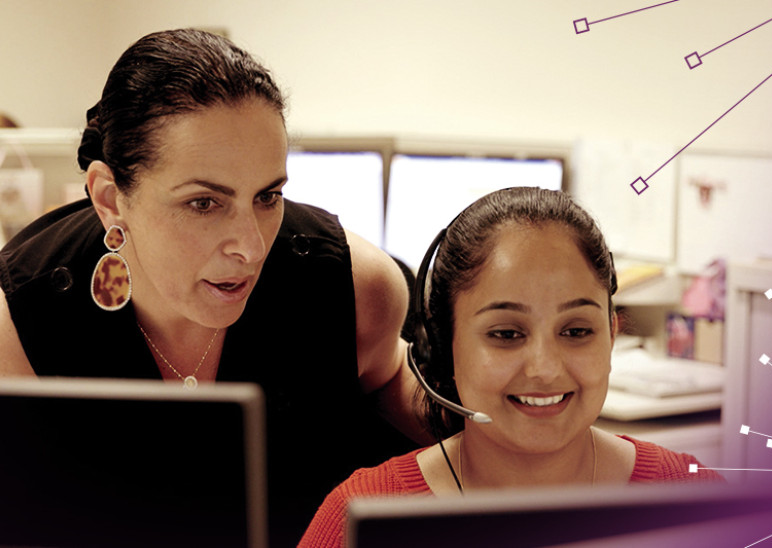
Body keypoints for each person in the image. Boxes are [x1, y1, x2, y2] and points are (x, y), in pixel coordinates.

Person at [0, 29, 425, 544]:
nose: (250, 246)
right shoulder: (14, 328)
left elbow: (394, 397)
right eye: (204, 203)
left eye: (268, 196)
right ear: (111, 198)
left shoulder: (353, 287)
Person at [299, 187, 722, 546]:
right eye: (506, 334)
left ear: (611, 335)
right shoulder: (360, 518)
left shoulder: (692, 497)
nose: (544, 368)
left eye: (576, 331)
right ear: (445, 346)